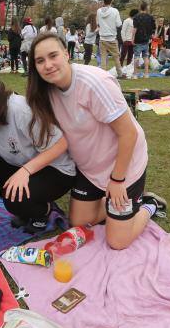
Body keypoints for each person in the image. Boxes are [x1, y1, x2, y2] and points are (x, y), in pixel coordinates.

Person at [26, 32, 155, 250]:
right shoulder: (47, 91)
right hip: (91, 170)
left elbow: (129, 134)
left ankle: (147, 205)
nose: (47, 65)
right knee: (77, 223)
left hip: (122, 168)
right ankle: (117, 204)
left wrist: (117, 180)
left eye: (53, 56)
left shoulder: (94, 82)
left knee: (117, 242)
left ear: (67, 54)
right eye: (40, 61)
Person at [0, 60, 75, 233]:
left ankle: (43, 211)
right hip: (21, 161)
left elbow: (61, 144)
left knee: (14, 200)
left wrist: (25, 172)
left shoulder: (20, 109)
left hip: (57, 168)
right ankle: (28, 200)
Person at [96, 0, 124, 78]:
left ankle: (103, 75)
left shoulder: (99, 11)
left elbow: (98, 23)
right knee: (116, 57)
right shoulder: (115, 11)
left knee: (103, 58)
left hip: (102, 38)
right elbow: (119, 24)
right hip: (112, 38)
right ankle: (120, 74)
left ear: (103, 2)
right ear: (111, 2)